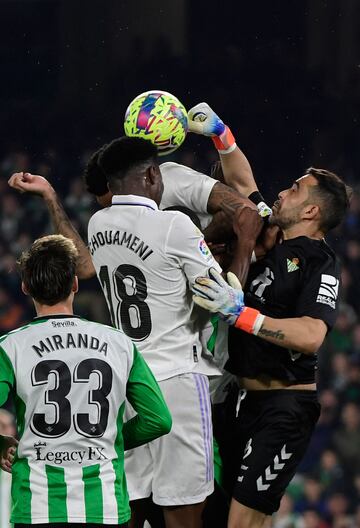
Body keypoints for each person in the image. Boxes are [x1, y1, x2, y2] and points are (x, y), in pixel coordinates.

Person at [192, 162, 351, 527]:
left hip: (283, 408)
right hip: (239, 402)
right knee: (216, 515)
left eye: (294, 189)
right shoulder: (273, 234)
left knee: (242, 521)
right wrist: (221, 134)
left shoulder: (321, 263)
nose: (281, 193)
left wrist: (241, 314)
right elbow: (243, 181)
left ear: (311, 211)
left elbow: (312, 335)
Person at [0, 234, 172, 527]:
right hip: (104, 505)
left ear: (26, 287)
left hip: (37, 506)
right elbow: (159, 420)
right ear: (75, 284)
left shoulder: (10, 346)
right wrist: (110, 438)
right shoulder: (119, 343)